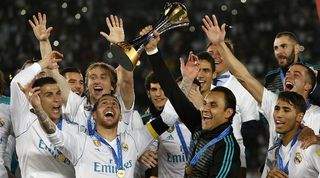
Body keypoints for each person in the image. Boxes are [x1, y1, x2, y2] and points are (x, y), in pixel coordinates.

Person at [144, 29, 240, 177]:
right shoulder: (199, 125)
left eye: (213, 105)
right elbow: (173, 93)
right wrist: (152, 51)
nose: (205, 108)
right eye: (205, 103)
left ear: (228, 113)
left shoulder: (226, 147)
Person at [29, 13, 135, 135]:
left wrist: (121, 44)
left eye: (103, 77)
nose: (97, 81)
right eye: (92, 77)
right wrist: (43, 41)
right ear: (86, 85)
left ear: (112, 85)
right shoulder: (77, 104)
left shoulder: (121, 104)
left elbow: (127, 79)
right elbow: (52, 72)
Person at [29, 92, 169, 178]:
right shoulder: (81, 143)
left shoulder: (133, 140)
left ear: (120, 116)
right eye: (104, 103)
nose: (110, 106)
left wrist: (187, 79)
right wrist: (39, 110)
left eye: (114, 104)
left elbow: (168, 118)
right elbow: (55, 135)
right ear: (93, 115)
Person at [10, 51, 79, 178]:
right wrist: (43, 63)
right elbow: (16, 84)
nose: (57, 99)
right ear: (37, 97)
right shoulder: (25, 122)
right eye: (49, 95)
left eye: (58, 93)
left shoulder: (75, 128)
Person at [207, 39, 260, 177]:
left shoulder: (244, 87)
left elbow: (251, 130)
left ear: (230, 58)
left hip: (232, 158)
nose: (215, 57)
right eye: (211, 53)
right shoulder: (197, 88)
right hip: (202, 155)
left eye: (220, 53)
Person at [137, 72, 192, 178]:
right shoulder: (145, 123)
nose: (158, 94)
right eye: (154, 89)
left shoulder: (191, 117)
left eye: (162, 89)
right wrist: (139, 155)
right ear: (148, 93)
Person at [263, 91, 320, 177]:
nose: (279, 115)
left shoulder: (310, 147)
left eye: (286, 110)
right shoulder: (273, 152)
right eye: (277, 109)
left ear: (299, 117)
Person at [264, 31, 320, 105]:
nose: (278, 52)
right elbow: (266, 108)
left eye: (284, 46)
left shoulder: (316, 72)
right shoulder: (270, 78)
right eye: (276, 48)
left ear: (296, 49)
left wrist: (314, 85)